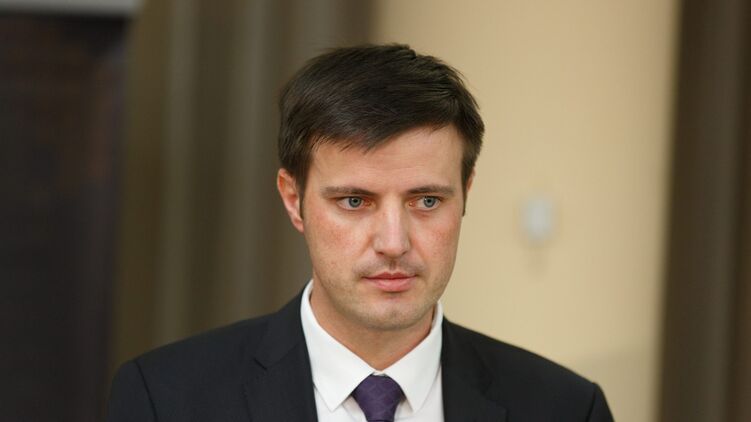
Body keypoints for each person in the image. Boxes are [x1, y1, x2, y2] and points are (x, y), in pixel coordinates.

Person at [107, 44, 614, 422]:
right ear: (293, 199)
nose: (394, 243)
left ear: (466, 194)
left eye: (427, 201)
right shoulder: (166, 399)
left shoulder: (566, 408)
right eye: (355, 201)